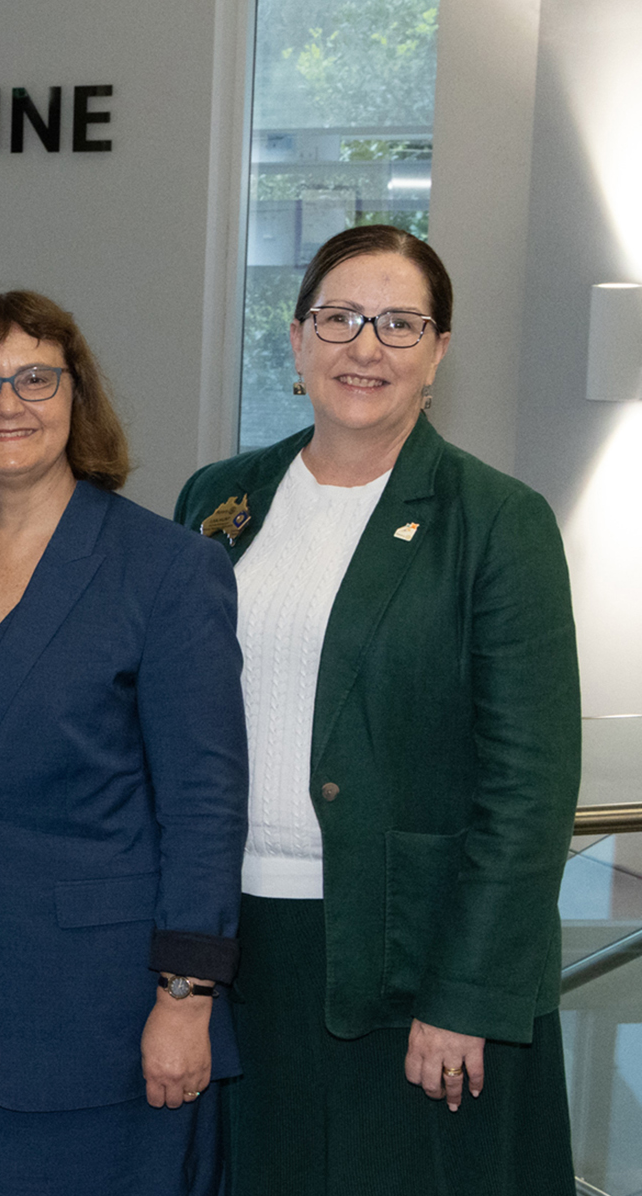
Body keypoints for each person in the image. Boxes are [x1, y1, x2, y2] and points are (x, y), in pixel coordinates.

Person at [175, 224, 579, 1192]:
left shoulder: (495, 520)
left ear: (438, 350)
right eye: (341, 317)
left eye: (400, 323)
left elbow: (528, 786)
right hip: (239, 944)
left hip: (413, 957)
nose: (366, 346)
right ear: (296, 336)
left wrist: (466, 994)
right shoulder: (218, 498)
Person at [0, 290, 247, 1193]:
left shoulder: (169, 569)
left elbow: (204, 801)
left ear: (78, 399)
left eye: (35, 378)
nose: (6, 404)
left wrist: (186, 998)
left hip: (106, 1017)